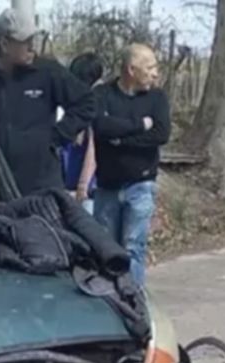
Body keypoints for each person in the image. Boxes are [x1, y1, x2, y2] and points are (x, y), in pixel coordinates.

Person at [0, 8, 96, 197]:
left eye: (34, 40)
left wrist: (57, 136)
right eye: (26, 42)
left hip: (43, 188)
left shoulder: (48, 73)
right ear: (5, 44)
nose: (33, 47)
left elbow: (87, 102)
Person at [90, 43, 171, 290]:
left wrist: (120, 138)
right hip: (107, 187)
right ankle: (107, 302)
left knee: (133, 246)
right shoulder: (103, 95)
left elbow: (160, 133)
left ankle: (133, 300)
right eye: (150, 67)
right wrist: (139, 125)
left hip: (141, 185)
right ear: (131, 70)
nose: (155, 73)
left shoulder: (157, 98)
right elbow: (101, 128)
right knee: (105, 249)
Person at [60, 52, 104, 214]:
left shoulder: (94, 105)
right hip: (71, 186)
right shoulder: (77, 105)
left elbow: (93, 148)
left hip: (88, 191)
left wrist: (83, 185)